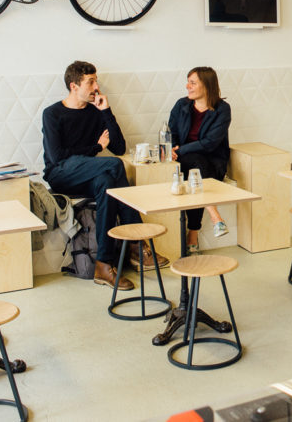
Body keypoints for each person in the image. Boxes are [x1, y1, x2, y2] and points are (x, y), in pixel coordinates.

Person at [42, 60, 155, 290]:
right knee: (113, 166)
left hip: (88, 175)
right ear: (74, 86)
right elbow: (57, 157)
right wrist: (95, 148)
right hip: (61, 174)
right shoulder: (52, 114)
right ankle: (136, 242)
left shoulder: (94, 113)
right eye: (90, 81)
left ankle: (104, 265)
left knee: (106, 183)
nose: (96, 86)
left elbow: (120, 147)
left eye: (96, 80)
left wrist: (106, 111)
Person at [169, 66, 231, 254]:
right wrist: (172, 149)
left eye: (193, 82)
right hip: (183, 161)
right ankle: (214, 217)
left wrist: (181, 150)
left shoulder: (222, 109)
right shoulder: (181, 105)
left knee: (195, 166)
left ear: (207, 85)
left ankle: (194, 233)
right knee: (192, 166)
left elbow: (210, 143)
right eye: (188, 81)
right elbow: (172, 131)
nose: (187, 86)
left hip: (212, 162)